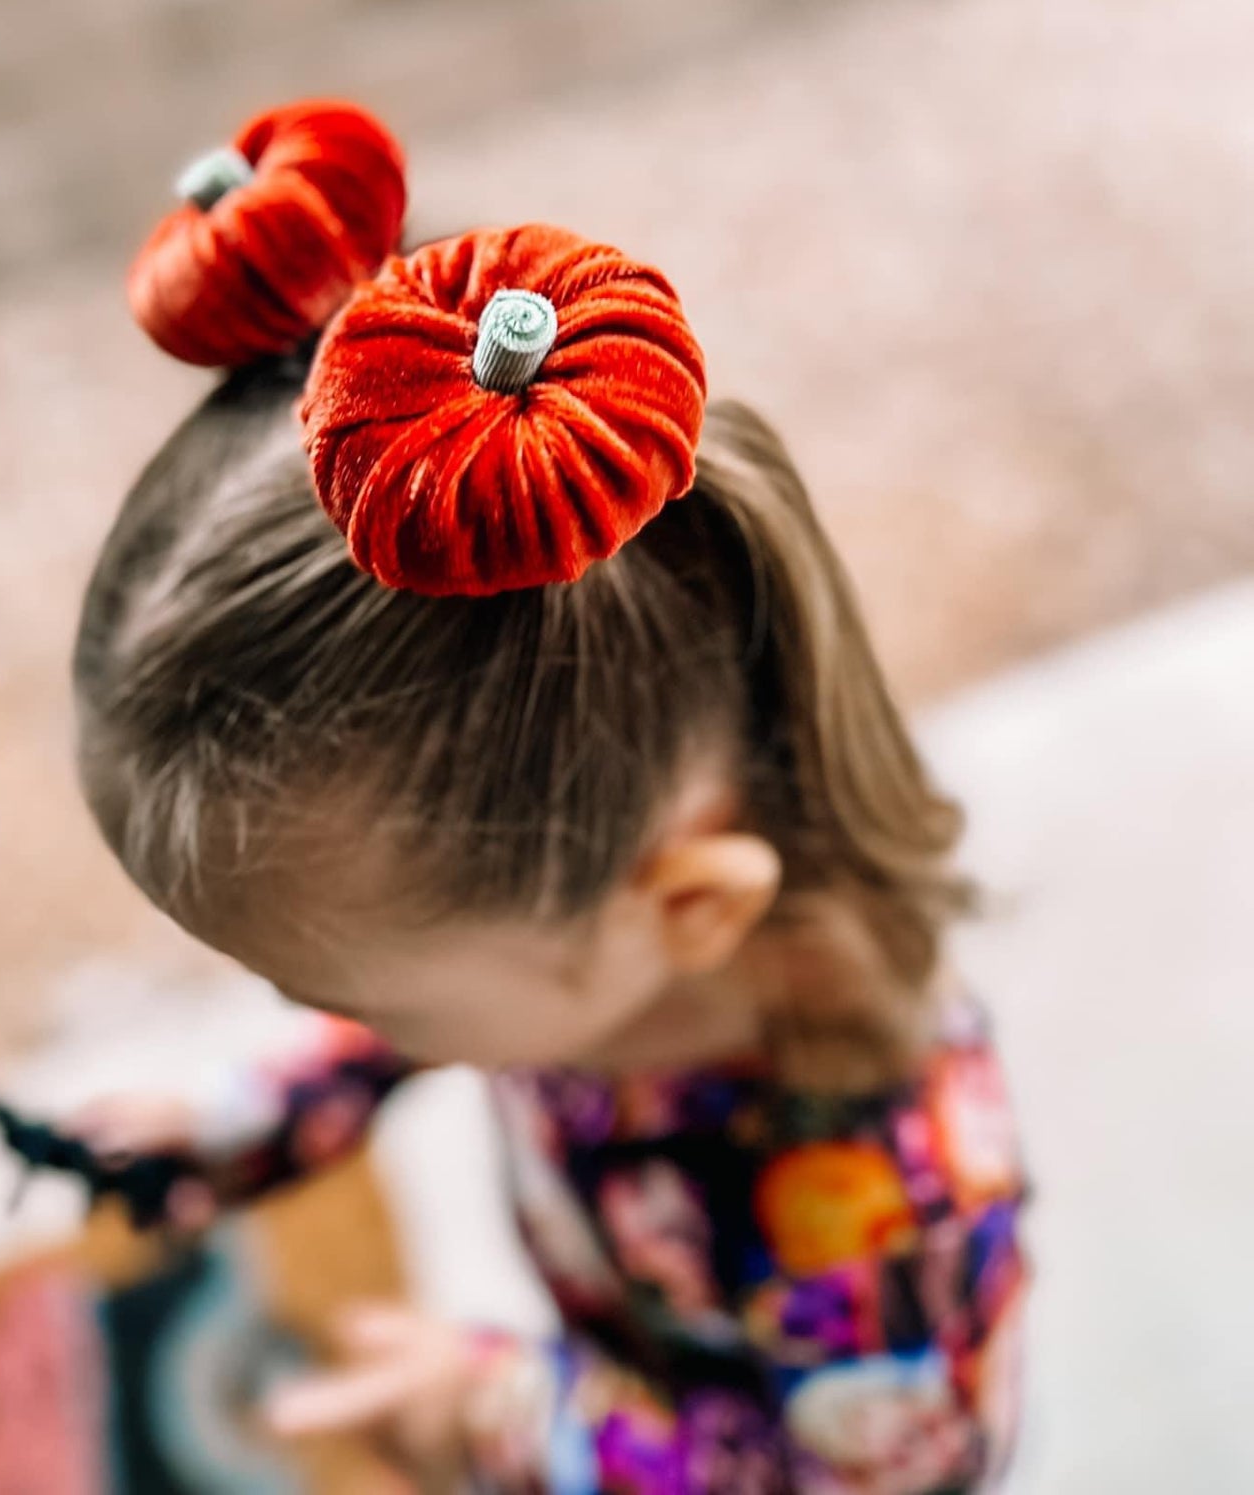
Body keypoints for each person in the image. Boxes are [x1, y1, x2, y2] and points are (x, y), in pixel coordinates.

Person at [67, 98, 1028, 1492]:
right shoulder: (580, 927)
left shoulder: (890, 1219)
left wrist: (491, 1416)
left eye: (360, 1000)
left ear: (684, 905)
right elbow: (418, 983)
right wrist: (253, 1115)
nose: (331, 1023)